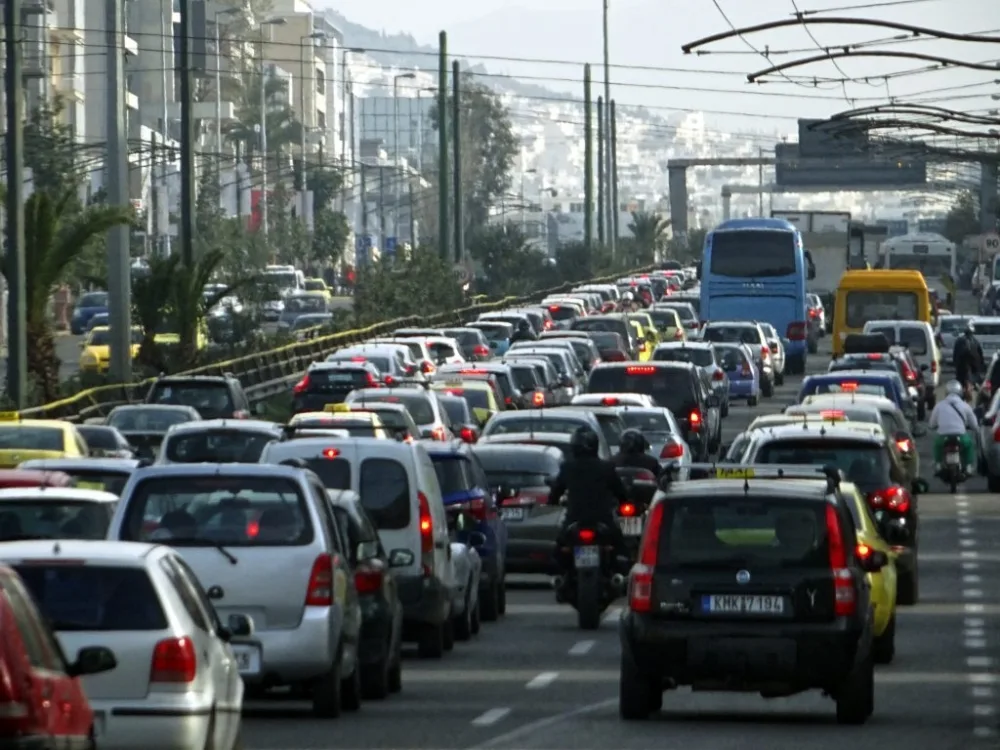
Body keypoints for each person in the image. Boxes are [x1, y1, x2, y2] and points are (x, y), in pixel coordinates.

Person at [548, 427, 631, 596]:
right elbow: (621, 492)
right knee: (623, 549)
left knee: (558, 550)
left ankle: (562, 578)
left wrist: (553, 501)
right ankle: (619, 577)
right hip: (602, 519)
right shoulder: (606, 467)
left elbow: (555, 491)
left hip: (575, 519)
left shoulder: (568, 467)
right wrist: (624, 501)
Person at [928, 379, 979, 476]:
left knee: (937, 446)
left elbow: (931, 424)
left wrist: (935, 426)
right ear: (960, 392)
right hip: (961, 436)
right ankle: (968, 467)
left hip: (943, 436)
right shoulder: (965, 406)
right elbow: (974, 424)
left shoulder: (939, 405)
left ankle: (938, 465)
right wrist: (973, 428)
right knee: (968, 446)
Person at [953, 323, 984, 389]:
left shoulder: (960, 340)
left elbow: (955, 354)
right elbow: (980, 355)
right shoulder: (974, 341)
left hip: (966, 366)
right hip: (967, 366)